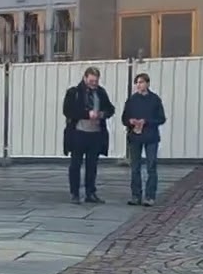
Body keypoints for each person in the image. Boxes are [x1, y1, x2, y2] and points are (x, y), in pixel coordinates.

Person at [61, 66, 115, 205]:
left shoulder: (101, 92)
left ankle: (91, 192)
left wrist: (102, 114)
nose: (93, 84)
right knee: (76, 164)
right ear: (85, 78)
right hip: (78, 133)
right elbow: (68, 111)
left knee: (92, 165)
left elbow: (110, 108)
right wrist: (86, 114)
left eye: (96, 81)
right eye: (91, 81)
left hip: (95, 134)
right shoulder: (74, 92)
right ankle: (75, 193)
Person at [121, 72, 167, 206]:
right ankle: (136, 195)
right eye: (137, 83)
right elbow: (124, 118)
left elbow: (161, 118)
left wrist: (146, 121)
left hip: (151, 137)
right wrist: (130, 121)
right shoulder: (132, 100)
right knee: (135, 167)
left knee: (151, 167)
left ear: (147, 83)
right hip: (135, 137)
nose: (139, 85)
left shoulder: (154, 99)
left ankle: (150, 196)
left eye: (141, 82)